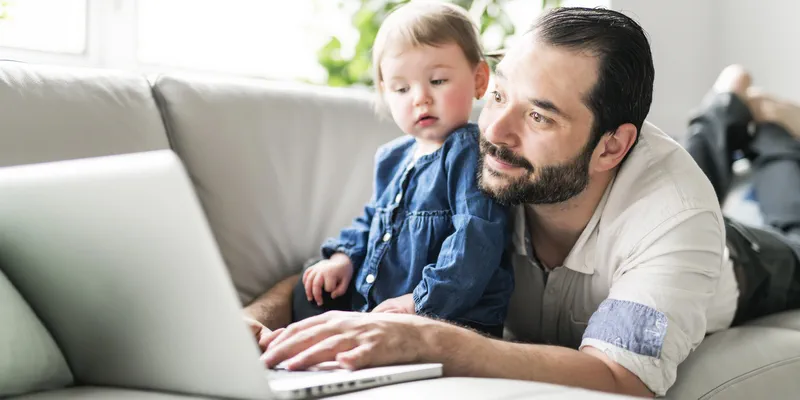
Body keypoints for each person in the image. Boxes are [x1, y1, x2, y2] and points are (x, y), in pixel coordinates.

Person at [246, 6, 800, 398]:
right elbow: (357, 257)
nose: (494, 131)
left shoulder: (676, 217)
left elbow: (621, 379)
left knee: (788, 227)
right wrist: (249, 320)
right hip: (632, 179)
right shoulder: (480, 164)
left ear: (612, 146)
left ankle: (773, 131)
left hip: (745, 262)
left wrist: (432, 339)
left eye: (538, 115)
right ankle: (729, 103)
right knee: (695, 157)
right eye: (498, 95)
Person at [286, 2, 514, 338]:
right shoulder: (392, 157)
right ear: (385, 93)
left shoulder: (467, 151)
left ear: (479, 80)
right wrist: (343, 259)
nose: (420, 98)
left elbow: (475, 239)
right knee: (309, 286)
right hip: (381, 309)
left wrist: (419, 301)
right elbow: (371, 220)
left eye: (438, 80)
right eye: (402, 89)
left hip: (449, 319)